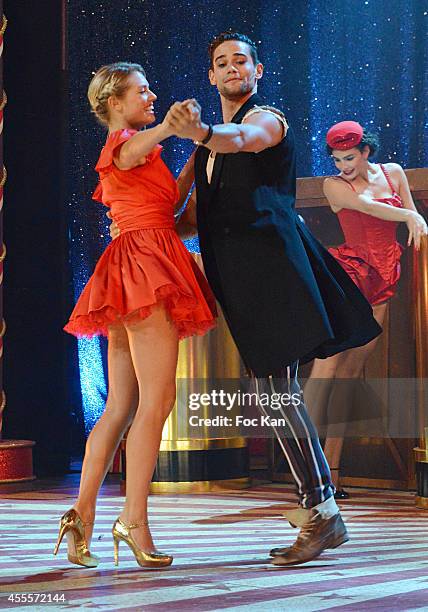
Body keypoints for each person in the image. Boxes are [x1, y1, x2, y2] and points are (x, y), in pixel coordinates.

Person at [160, 32, 384, 566]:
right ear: (211, 77)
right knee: (275, 394)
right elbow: (196, 219)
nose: (232, 67)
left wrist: (206, 132)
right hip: (241, 281)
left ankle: (323, 512)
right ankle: (322, 510)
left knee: (278, 393)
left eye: (241, 60)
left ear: (257, 71)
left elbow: (243, 139)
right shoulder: (205, 150)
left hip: (275, 273)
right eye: (222, 62)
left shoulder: (267, 119)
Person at [55, 62, 216, 569]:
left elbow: (170, 213)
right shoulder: (123, 143)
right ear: (114, 103)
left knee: (122, 404)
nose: (151, 97)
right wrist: (170, 127)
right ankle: (134, 519)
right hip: (143, 267)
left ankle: (80, 516)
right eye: (141, 92)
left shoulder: (149, 152)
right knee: (158, 397)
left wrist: (195, 157)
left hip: (141, 261)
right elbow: (125, 153)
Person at [304, 121, 427, 498]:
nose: (343, 166)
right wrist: (411, 216)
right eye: (337, 159)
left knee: (351, 375)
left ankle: (333, 472)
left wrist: (413, 216)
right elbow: (368, 207)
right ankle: (307, 468)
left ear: (366, 152)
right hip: (351, 274)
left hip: (385, 277)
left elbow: (410, 217)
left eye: (349, 158)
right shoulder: (334, 185)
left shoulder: (393, 173)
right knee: (328, 367)